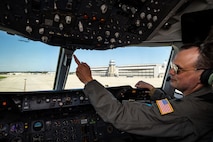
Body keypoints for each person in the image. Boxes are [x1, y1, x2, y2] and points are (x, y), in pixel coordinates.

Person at [74, 42, 213, 142]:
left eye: (178, 69)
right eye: (172, 66)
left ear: (204, 75)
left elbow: (119, 115)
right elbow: (171, 107)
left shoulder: (188, 111)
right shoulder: (203, 100)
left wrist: (88, 81)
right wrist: (155, 92)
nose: (171, 71)